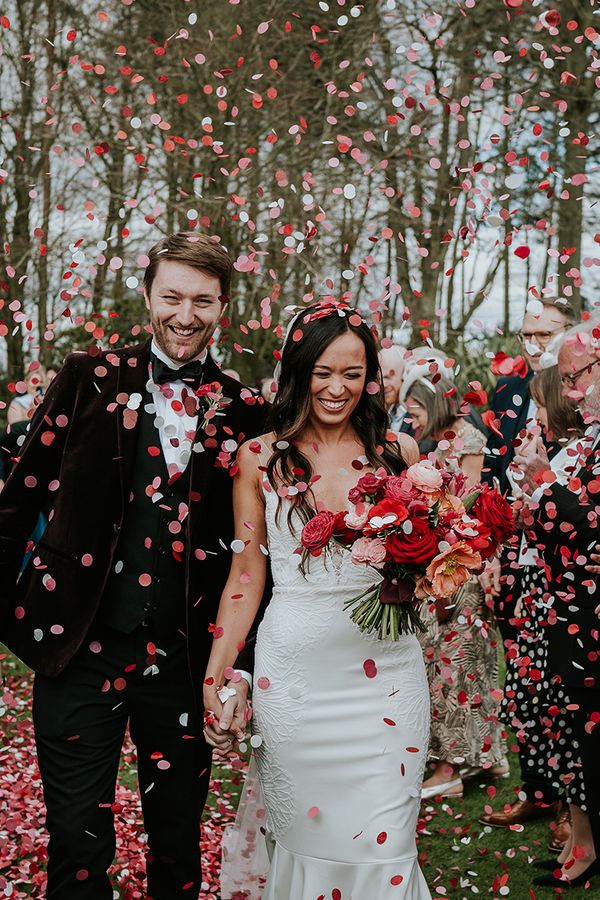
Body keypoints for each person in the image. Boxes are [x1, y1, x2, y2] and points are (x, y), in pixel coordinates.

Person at [0, 231, 269, 899]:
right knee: (77, 848)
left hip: (182, 662)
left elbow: (253, 547)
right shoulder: (88, 377)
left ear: (223, 307)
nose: (185, 315)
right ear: (148, 295)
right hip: (77, 649)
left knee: (177, 849)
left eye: (202, 301)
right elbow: (22, 494)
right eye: (172, 296)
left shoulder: (242, 410)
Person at [204, 302, 432, 899]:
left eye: (352, 374)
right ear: (298, 371)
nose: (336, 388)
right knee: (310, 847)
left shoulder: (398, 454)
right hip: (297, 686)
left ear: (371, 377)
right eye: (322, 372)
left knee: (388, 849)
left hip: (389, 677)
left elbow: (424, 566)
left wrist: (440, 561)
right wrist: (218, 673)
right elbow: (247, 574)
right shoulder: (259, 458)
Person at [480, 297, 578, 831]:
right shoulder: (509, 390)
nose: (535, 344)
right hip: (516, 549)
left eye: (547, 332)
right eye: (526, 335)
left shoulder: (583, 390)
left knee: (561, 677)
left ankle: (574, 804)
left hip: (566, 556)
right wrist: (495, 550)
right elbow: (495, 474)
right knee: (521, 677)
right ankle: (538, 789)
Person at [513, 316, 600, 888]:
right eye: (567, 380)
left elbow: (587, 523)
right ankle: (582, 840)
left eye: (578, 376)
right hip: (567, 606)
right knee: (574, 729)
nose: (573, 390)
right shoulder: (591, 438)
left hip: (588, 612)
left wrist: (543, 479)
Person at [404, 373, 508, 799]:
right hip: (433, 566)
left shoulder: (468, 439)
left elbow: (466, 507)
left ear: (433, 405)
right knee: (437, 667)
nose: (411, 423)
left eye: (415, 414)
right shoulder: (431, 441)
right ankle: (461, 758)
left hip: (457, 569)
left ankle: (453, 767)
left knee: (458, 669)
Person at [379, 343, 407, 431]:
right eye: (378, 378)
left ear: (405, 375)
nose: (383, 384)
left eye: (388, 377)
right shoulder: (385, 415)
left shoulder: (420, 415)